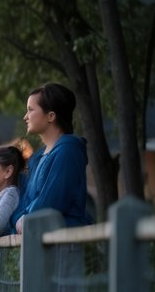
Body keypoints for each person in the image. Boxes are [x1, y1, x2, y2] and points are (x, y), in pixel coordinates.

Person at [10, 83, 94, 232]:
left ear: (50, 116)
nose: (25, 117)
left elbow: (49, 205)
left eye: (30, 110)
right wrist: (19, 220)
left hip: (65, 244)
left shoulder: (69, 151)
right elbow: (20, 206)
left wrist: (24, 219)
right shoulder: (36, 158)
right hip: (37, 243)